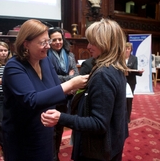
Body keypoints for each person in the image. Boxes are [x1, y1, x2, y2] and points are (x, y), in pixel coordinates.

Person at [41, 18, 129, 161]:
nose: (88, 46)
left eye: (92, 42)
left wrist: (61, 118)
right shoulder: (115, 67)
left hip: (97, 150)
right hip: (112, 144)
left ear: (105, 43)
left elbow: (98, 123)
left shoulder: (103, 74)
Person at [2, 19, 88, 161]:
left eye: (48, 41)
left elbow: (57, 92)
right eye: (43, 42)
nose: (48, 46)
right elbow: (32, 100)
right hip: (22, 135)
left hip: (45, 130)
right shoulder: (14, 67)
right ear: (26, 43)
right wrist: (72, 84)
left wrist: (79, 88)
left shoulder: (45, 60)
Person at [47, 27, 79, 161]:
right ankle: (52, 157)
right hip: (52, 97)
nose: (58, 42)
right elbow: (52, 77)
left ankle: (56, 153)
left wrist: (66, 78)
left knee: (60, 127)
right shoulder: (45, 56)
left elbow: (76, 74)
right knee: (51, 131)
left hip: (66, 98)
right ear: (49, 41)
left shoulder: (70, 55)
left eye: (60, 39)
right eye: (54, 40)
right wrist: (69, 78)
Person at [125, 42, 144, 123]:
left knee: (129, 99)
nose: (126, 50)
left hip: (131, 82)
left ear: (131, 50)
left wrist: (140, 72)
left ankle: (127, 117)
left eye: (128, 48)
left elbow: (135, 69)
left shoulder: (134, 58)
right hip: (120, 81)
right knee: (120, 99)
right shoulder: (118, 58)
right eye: (125, 48)